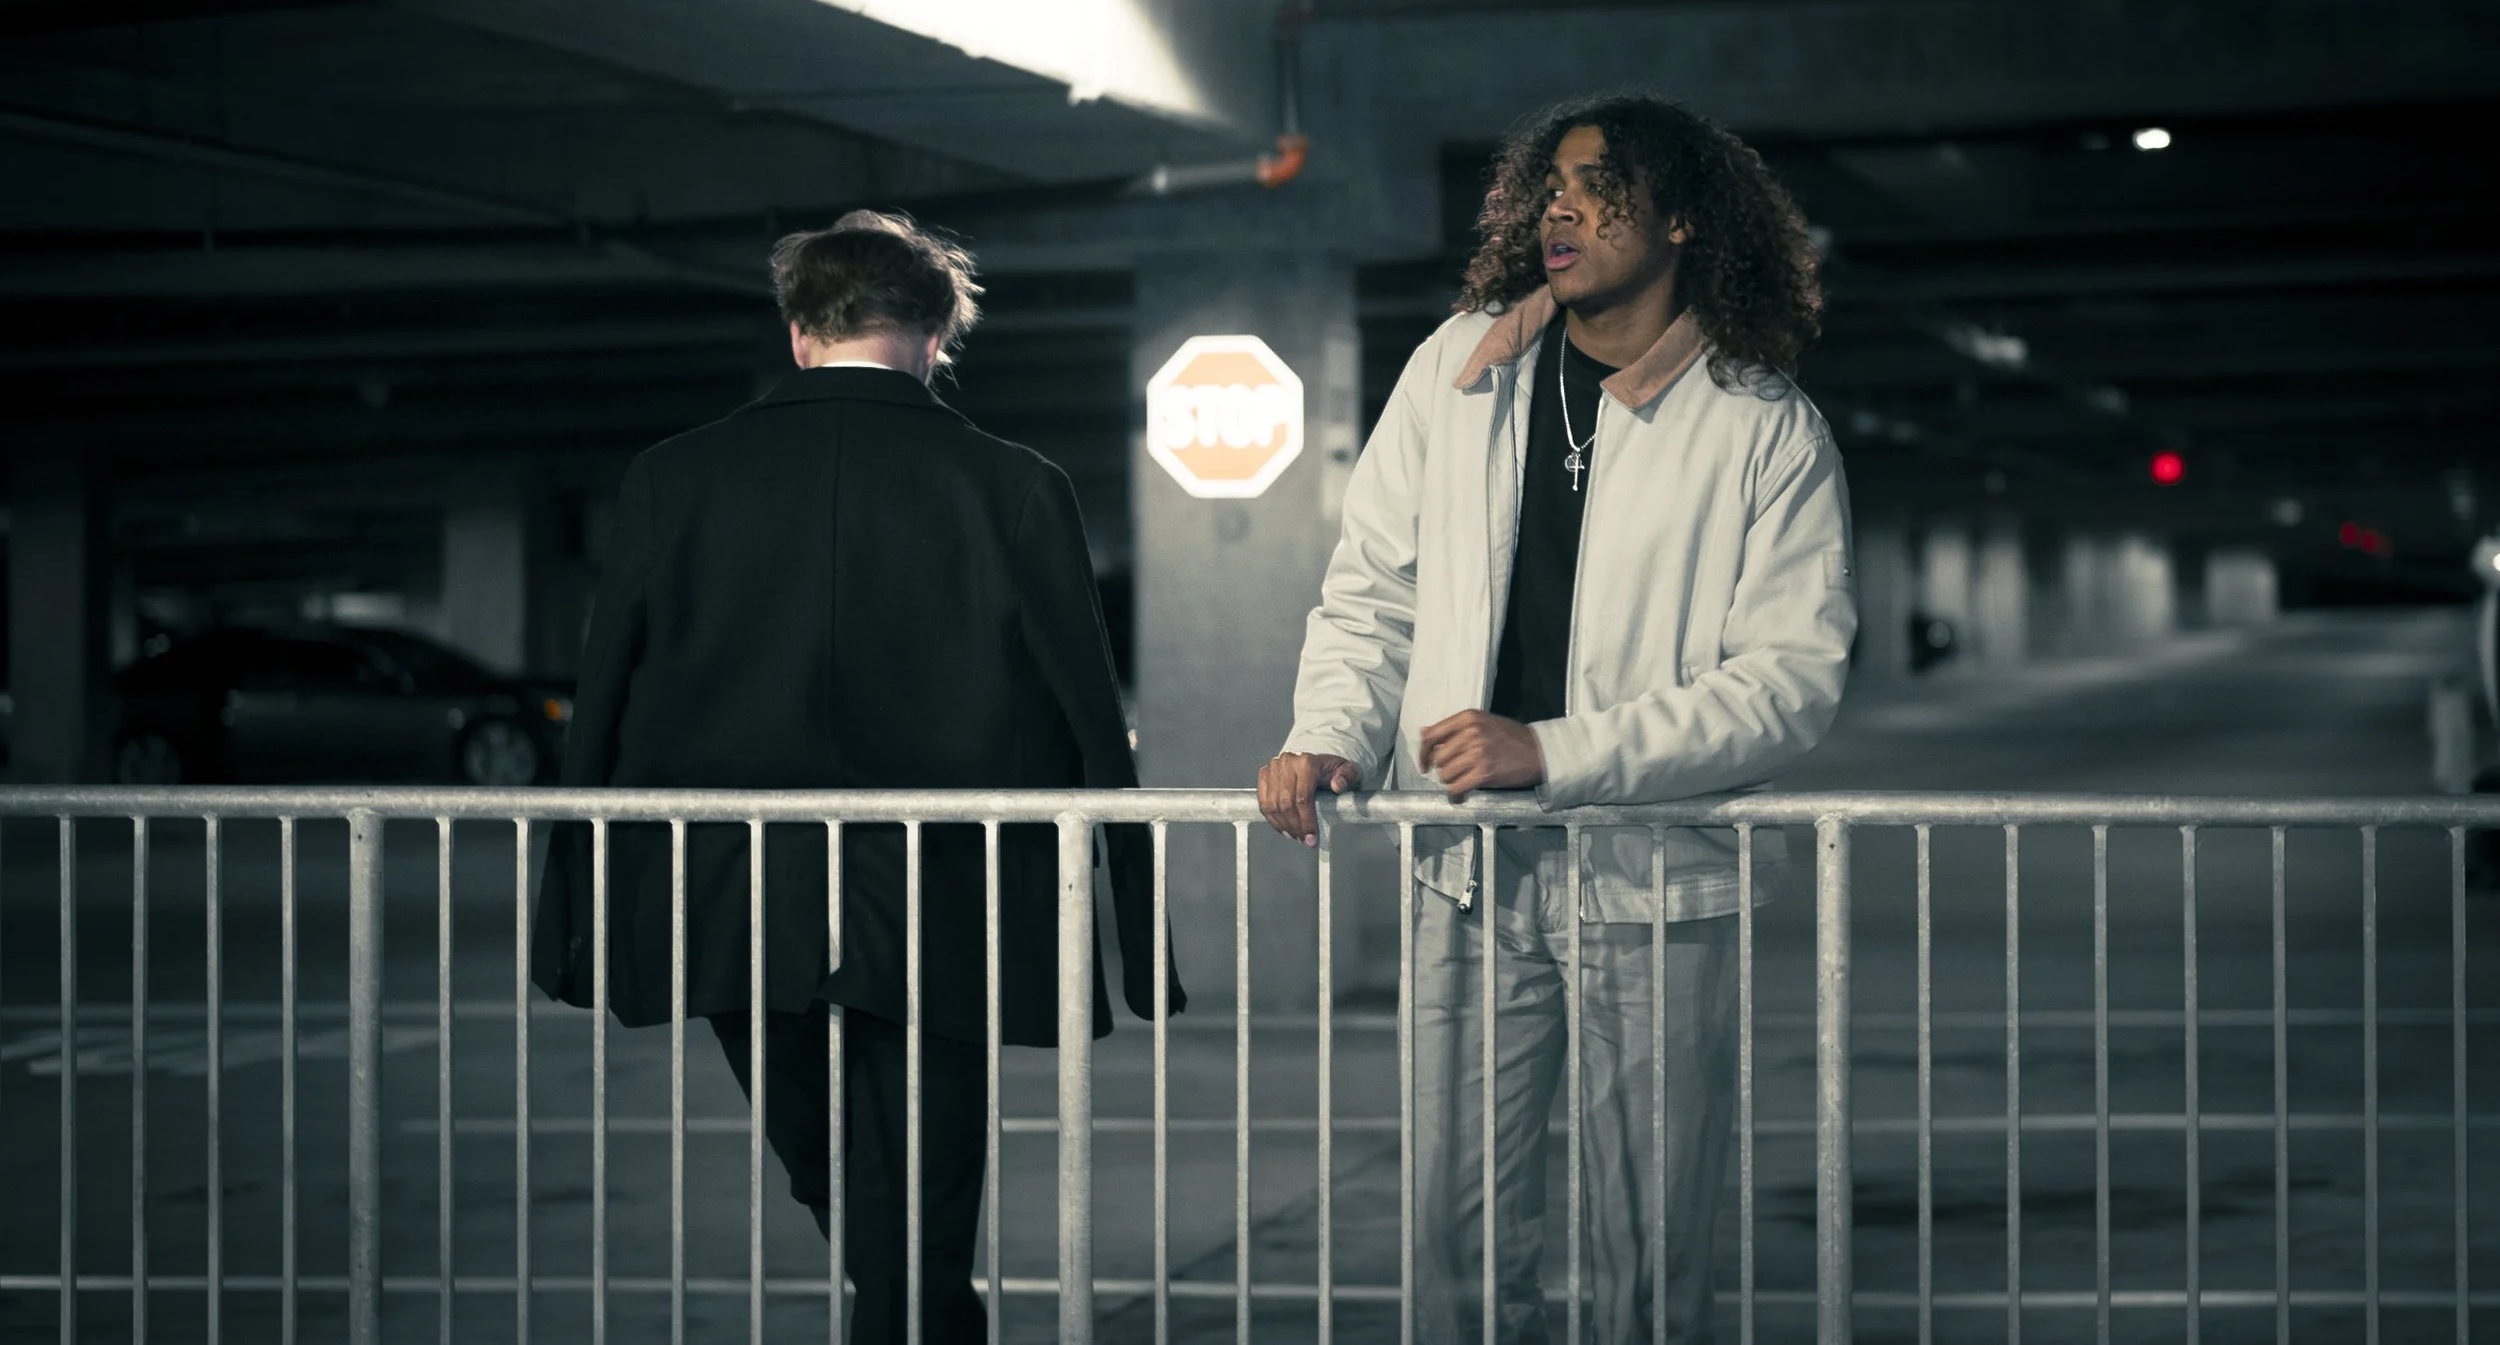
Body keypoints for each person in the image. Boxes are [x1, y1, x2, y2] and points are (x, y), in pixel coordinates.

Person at [1258, 95, 1855, 1342]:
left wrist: (1557, 751)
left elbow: (1787, 679)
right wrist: (1332, 728)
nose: (1561, 208)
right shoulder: (1459, 368)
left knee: (1650, 1222)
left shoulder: (1762, 427)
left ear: (1685, 217)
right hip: (1467, 868)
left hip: (1654, 878)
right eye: (1551, 186)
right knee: (1452, 1220)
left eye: (1601, 184)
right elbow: (1377, 585)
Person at [532, 210, 1178, 1344]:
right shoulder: (1015, 484)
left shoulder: (670, 478)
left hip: (731, 888)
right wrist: (1134, 931)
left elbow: (605, 700)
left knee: (827, 1160)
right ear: (937, 332)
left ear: (796, 333)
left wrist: (572, 910)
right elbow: (1089, 715)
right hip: (950, 889)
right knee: (924, 1175)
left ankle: (922, 1319)